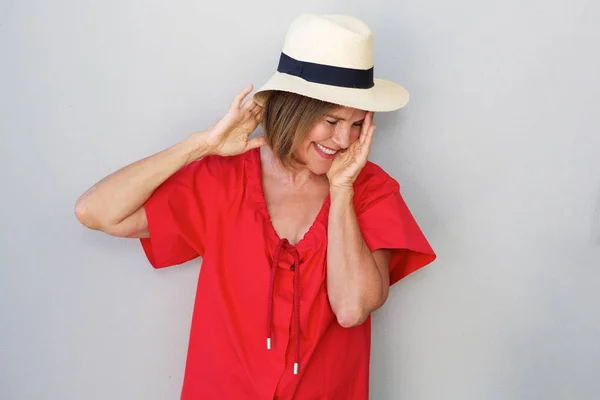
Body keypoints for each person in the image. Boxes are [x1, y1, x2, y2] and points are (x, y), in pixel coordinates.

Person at [75, 13, 436, 400]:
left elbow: (351, 310)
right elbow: (95, 211)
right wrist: (201, 145)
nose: (344, 140)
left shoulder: (371, 190)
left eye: (357, 125)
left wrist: (342, 190)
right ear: (295, 110)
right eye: (332, 121)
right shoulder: (223, 179)